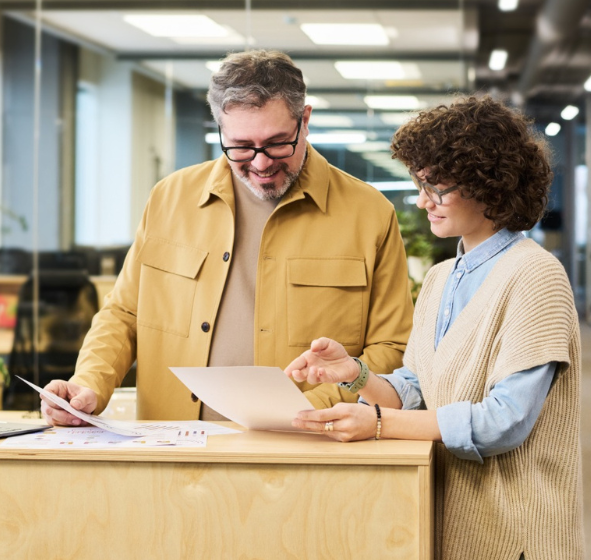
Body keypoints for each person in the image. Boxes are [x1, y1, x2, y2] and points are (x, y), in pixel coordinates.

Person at [41, 49, 413, 425]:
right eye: (241, 146)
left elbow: (391, 348)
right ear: (219, 128)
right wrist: (90, 382)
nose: (261, 162)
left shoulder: (370, 214)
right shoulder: (170, 197)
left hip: (305, 452)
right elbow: (125, 314)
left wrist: (310, 407)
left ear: (305, 119)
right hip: (174, 449)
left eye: (277, 142)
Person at [285, 96, 583, 560]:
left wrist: (379, 424)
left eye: (436, 187)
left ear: (489, 185)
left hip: (516, 530)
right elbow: (420, 386)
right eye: (420, 184)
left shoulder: (535, 275)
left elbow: (505, 420)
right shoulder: (443, 277)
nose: (423, 200)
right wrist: (355, 375)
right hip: (448, 516)